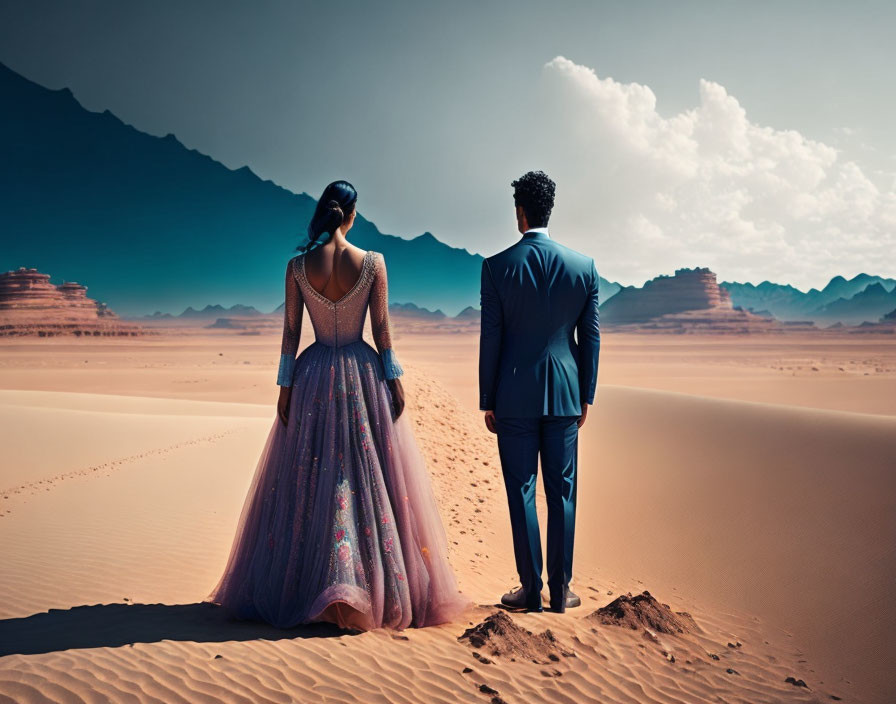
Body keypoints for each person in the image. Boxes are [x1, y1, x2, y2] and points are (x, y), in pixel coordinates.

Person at [205, 180, 468, 631]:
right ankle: (362, 585)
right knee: (361, 474)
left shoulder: (296, 267)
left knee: (312, 478)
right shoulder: (373, 263)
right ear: (352, 213)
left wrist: (284, 390)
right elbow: (382, 328)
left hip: (311, 378)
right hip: (363, 374)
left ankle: (309, 586)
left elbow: (290, 336)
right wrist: (394, 378)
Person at [479, 170, 600, 613]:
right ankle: (561, 592)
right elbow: (590, 337)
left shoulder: (496, 267)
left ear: (520, 213)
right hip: (566, 394)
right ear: (550, 210)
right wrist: (586, 392)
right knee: (563, 491)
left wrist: (487, 398)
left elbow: (490, 337)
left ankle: (529, 591)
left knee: (523, 490)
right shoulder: (583, 267)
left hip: (512, 393)